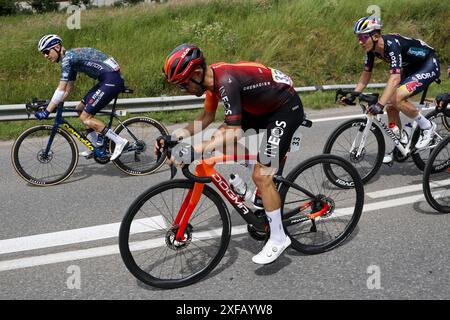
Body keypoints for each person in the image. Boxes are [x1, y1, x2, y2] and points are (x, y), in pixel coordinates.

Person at [159, 44, 305, 264]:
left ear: (196, 74)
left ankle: (278, 237)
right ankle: (262, 185)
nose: (183, 90)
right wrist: (175, 136)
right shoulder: (212, 83)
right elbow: (207, 117)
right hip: (261, 107)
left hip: (284, 109)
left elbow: (234, 130)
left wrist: (196, 149)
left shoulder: (226, 82)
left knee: (261, 175)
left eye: (183, 85)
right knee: (221, 142)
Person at [342, 17, 441, 163]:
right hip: (411, 67)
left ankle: (427, 126)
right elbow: (366, 74)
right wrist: (354, 94)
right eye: (358, 38)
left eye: (363, 37)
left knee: (394, 98)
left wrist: (379, 105)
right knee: (391, 106)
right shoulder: (372, 50)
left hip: (427, 64)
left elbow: (394, 79)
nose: (360, 41)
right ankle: (400, 145)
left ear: (375, 36)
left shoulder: (391, 45)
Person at [35, 34, 129, 161]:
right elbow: (68, 89)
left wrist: (47, 111)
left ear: (57, 47)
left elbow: (61, 88)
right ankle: (96, 146)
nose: (45, 56)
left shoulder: (68, 59)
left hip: (112, 80)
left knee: (86, 117)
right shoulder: (70, 60)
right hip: (107, 79)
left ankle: (120, 141)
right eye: (43, 53)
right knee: (79, 108)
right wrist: (55, 105)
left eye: (46, 51)